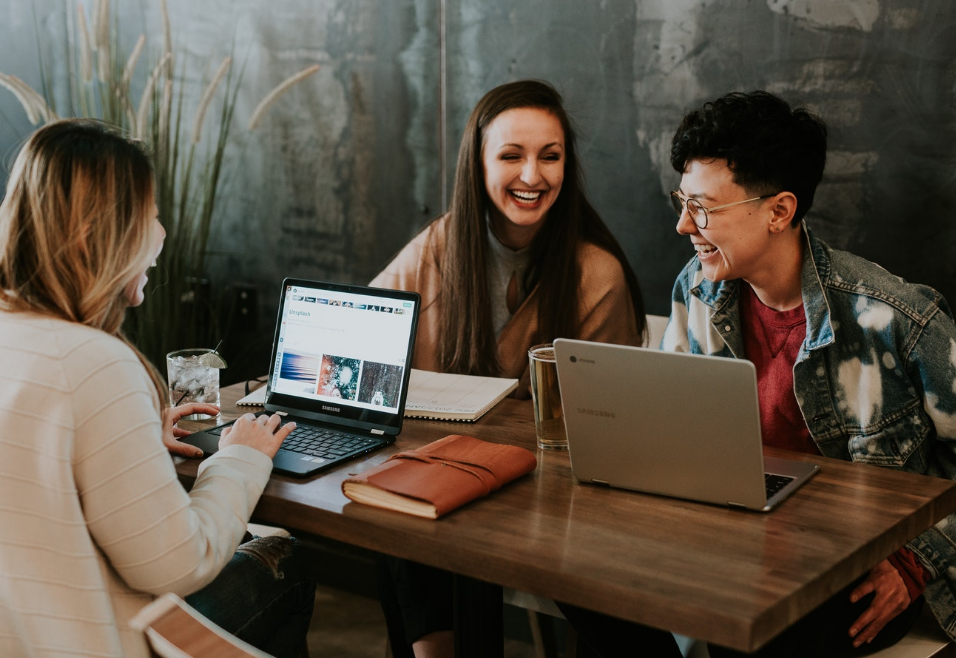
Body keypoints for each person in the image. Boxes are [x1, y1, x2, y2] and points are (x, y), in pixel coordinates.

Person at [594, 89, 956, 657]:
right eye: (681, 201)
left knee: (760, 620)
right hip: (733, 543)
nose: (684, 226)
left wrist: (915, 563)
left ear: (779, 211)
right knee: (585, 580)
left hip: (850, 564)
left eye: (705, 208)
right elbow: (673, 437)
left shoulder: (894, 319)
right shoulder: (697, 288)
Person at [0, 119, 315, 658]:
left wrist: (136, 437)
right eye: (149, 218)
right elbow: (177, 563)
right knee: (286, 562)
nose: (162, 234)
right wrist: (236, 461)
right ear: (97, 237)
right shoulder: (94, 363)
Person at [371, 79, 647, 657]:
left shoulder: (596, 275)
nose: (533, 176)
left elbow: (600, 429)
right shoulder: (439, 247)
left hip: (553, 503)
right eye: (511, 156)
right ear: (477, 164)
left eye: (551, 156)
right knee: (396, 516)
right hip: (443, 482)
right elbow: (367, 342)